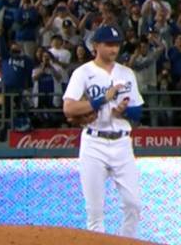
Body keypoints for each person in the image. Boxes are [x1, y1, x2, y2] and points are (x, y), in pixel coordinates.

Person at [62, 25, 144, 237]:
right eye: (108, 44)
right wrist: (101, 100)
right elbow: (68, 108)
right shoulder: (83, 73)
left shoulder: (126, 73)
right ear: (96, 45)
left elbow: (139, 111)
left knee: (134, 204)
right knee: (95, 212)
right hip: (94, 143)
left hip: (122, 143)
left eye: (116, 44)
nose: (113, 49)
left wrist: (126, 111)